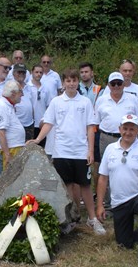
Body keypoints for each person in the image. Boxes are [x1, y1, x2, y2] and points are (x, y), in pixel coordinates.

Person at [28, 69, 104, 235]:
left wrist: (90, 150)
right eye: (68, 81)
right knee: (67, 185)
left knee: (85, 185)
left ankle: (92, 219)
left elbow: (91, 128)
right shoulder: (56, 102)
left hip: (80, 152)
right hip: (61, 151)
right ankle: (71, 218)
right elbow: (48, 123)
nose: (71, 84)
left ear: (78, 82)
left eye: (74, 80)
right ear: (63, 83)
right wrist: (38, 140)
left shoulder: (85, 102)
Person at [96, 114, 138, 267]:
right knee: (124, 243)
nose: (128, 132)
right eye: (125, 128)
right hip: (119, 201)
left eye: (132, 129)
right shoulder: (111, 149)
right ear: (119, 129)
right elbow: (102, 178)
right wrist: (100, 206)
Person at [93, 72, 138, 207]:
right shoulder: (101, 100)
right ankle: (110, 204)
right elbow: (96, 122)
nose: (116, 86)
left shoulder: (133, 99)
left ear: (123, 84)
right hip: (107, 137)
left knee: (129, 168)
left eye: (119, 83)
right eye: (113, 83)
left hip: (128, 138)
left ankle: (130, 200)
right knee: (107, 170)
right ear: (108, 85)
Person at [0, 80, 26, 168]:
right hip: (11, 149)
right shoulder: (2, 106)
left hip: (14, 147)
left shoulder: (8, 105)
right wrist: (7, 155)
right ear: (13, 93)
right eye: (20, 92)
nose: (23, 95)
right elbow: (0, 133)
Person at [11, 64, 36, 142]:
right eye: (19, 72)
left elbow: (32, 104)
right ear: (13, 73)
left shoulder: (29, 87)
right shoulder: (10, 87)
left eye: (23, 73)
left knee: (28, 149)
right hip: (17, 124)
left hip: (29, 124)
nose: (21, 74)